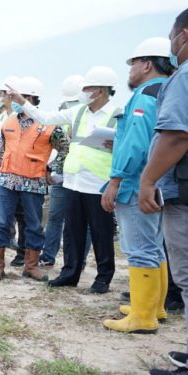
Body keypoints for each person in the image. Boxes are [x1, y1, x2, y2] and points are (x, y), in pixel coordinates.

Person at [15, 66, 122, 294]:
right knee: (72, 231)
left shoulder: (118, 114)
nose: (83, 92)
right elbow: (44, 117)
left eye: (88, 88)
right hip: (73, 181)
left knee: (101, 232)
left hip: (98, 183)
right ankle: (69, 273)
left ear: (101, 90)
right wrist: (23, 102)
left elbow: (128, 145)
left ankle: (103, 278)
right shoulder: (79, 112)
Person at [100, 37, 174, 334]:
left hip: (136, 183)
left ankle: (143, 317)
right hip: (159, 182)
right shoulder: (168, 92)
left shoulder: (144, 96)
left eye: (132, 64)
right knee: (155, 247)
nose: (129, 71)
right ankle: (154, 307)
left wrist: (115, 180)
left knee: (140, 249)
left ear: (146, 64)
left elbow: (136, 144)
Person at [0, 77, 69, 282]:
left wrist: (53, 170)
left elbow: (65, 149)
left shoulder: (49, 123)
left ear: (29, 97)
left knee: (33, 225)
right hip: (7, 181)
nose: (11, 100)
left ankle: (30, 266)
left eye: (15, 96)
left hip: (34, 181)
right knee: (1, 224)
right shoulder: (9, 121)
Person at [143, 9, 188, 375]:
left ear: (184, 35)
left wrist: (148, 180)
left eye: (172, 36)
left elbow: (175, 136)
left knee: (186, 274)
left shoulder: (184, 77)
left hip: (185, 195)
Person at [39, 74, 93, 267]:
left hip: (84, 176)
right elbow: (50, 146)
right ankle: (48, 256)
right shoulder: (60, 116)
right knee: (55, 216)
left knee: (82, 222)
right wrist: (48, 168)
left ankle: (80, 260)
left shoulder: (91, 118)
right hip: (61, 175)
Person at [0, 75, 27, 267]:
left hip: (23, 173)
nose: (3, 97)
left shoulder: (26, 115)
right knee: (2, 215)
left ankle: (23, 253)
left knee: (23, 216)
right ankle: (5, 245)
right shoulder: (0, 117)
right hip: (4, 172)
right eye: (2, 94)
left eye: (6, 94)